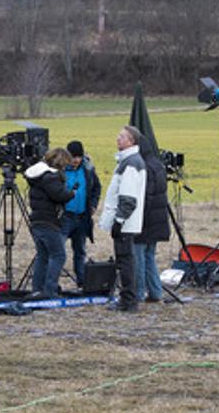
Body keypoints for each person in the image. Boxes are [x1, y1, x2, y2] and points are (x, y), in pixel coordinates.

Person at [99, 126, 147, 312]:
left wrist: (119, 221)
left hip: (126, 222)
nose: (118, 139)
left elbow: (128, 198)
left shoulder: (131, 163)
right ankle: (128, 299)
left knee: (126, 262)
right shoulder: (129, 161)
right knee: (126, 261)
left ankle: (128, 300)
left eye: (122, 136)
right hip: (127, 221)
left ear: (131, 141)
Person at [26, 147, 75, 298]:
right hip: (48, 221)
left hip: (37, 221)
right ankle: (50, 290)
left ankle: (37, 289)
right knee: (58, 255)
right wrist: (72, 193)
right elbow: (59, 195)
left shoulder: (38, 177)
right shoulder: (50, 178)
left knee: (43, 255)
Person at [133, 135, 169, 303]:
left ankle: (139, 292)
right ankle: (155, 292)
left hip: (145, 220)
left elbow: (146, 197)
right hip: (158, 219)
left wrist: (137, 218)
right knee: (149, 257)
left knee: (139, 257)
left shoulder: (144, 167)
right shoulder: (158, 165)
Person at [61, 141, 101, 288]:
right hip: (65, 217)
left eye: (78, 157)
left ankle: (82, 282)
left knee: (80, 251)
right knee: (58, 251)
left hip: (82, 216)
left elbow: (96, 187)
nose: (76, 160)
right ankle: (52, 283)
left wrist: (93, 205)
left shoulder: (88, 169)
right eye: (73, 157)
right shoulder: (60, 170)